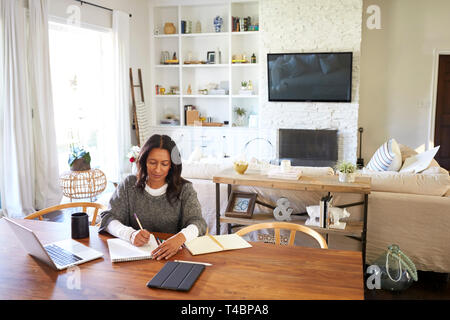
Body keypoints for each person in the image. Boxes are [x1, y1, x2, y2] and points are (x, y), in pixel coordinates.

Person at [99, 134, 207, 260]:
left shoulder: (185, 189)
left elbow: (198, 223)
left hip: (172, 258)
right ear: (144, 161)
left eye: (164, 164)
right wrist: (130, 234)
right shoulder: (129, 185)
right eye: (152, 163)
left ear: (172, 165)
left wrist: (180, 238)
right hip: (135, 260)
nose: (157, 169)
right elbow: (108, 218)